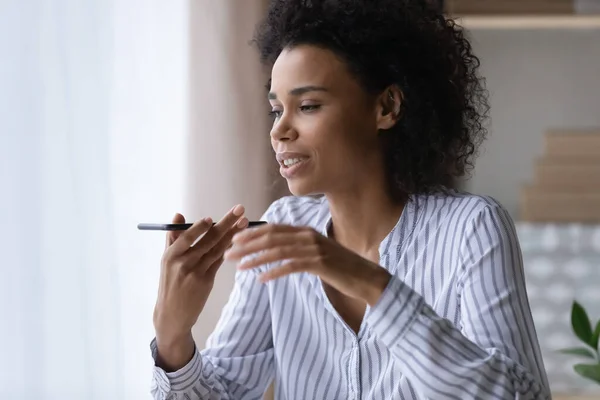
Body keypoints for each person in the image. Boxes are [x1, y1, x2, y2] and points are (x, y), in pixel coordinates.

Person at [151, 0, 551, 399]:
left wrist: (370, 282)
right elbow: (222, 392)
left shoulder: (471, 228)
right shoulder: (282, 226)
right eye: (276, 110)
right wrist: (173, 338)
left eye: (307, 106)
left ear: (386, 107)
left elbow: (520, 396)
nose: (280, 131)